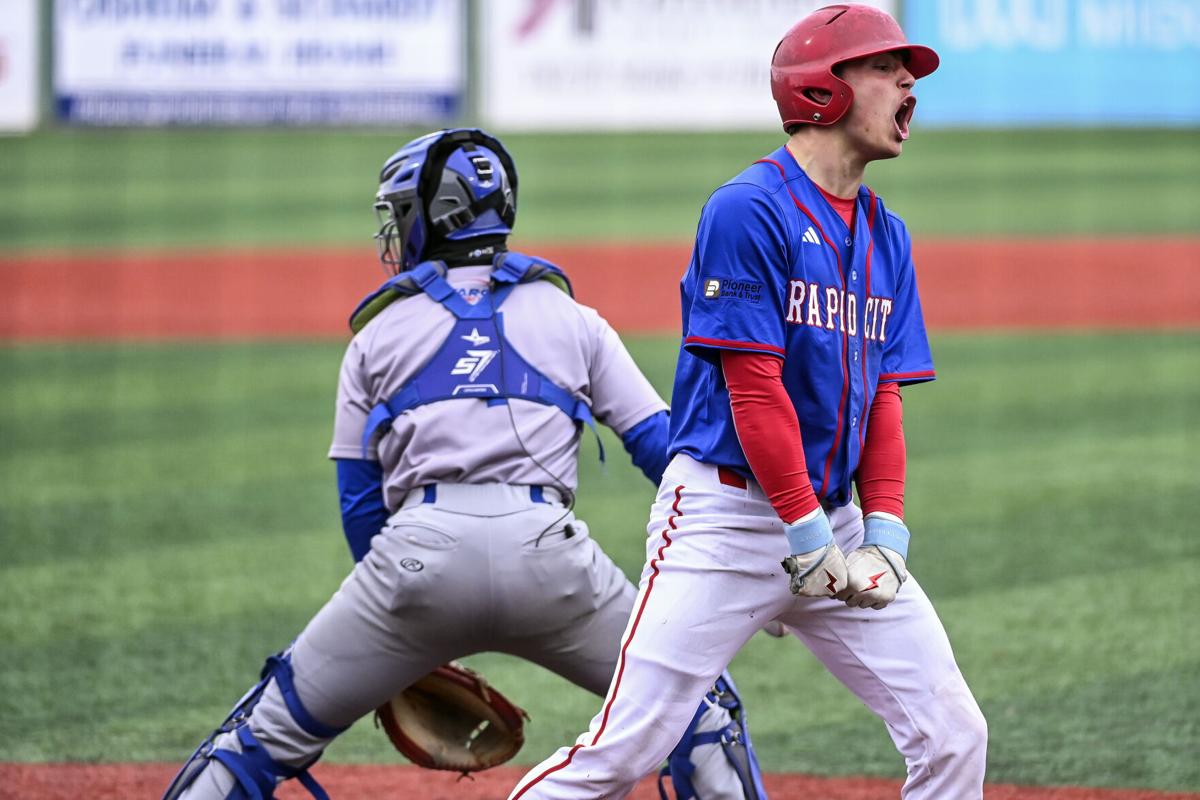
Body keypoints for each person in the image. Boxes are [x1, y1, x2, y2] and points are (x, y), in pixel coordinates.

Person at [161, 128, 768, 800]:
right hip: (553, 563)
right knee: (700, 714)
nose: (395, 229)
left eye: (401, 212)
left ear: (435, 215)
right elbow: (664, 449)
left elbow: (361, 509)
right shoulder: (572, 317)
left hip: (415, 565)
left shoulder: (377, 334)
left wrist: (399, 634)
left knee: (260, 736)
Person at [508, 5, 989, 800]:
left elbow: (885, 400)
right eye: (883, 66)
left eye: (908, 70)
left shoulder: (886, 234)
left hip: (833, 524)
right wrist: (802, 534)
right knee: (625, 750)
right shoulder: (747, 210)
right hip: (725, 526)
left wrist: (887, 537)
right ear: (822, 91)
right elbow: (754, 389)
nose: (908, 82)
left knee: (953, 734)